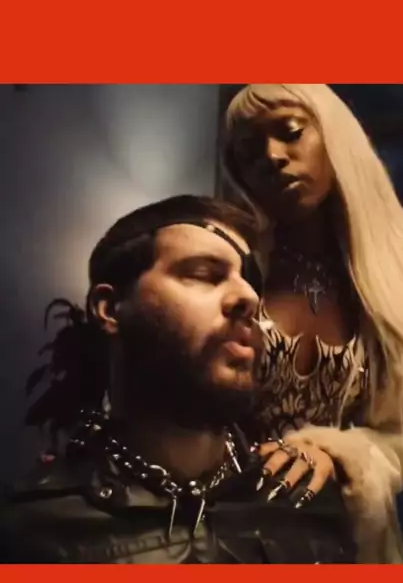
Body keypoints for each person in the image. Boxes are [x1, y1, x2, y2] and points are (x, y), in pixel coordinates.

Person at [0, 195, 355, 564]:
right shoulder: (33, 533)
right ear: (110, 309)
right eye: (204, 274)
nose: (249, 297)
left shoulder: (304, 500)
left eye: (249, 281)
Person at [220, 84, 403, 563]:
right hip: (219, 532)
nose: (272, 157)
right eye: (249, 151)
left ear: (334, 136)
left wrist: (344, 454)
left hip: (347, 542)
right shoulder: (231, 263)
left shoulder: (401, 278)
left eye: (291, 132)